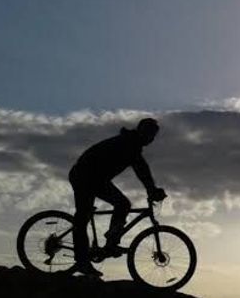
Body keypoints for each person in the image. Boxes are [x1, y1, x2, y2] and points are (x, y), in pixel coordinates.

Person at [68, 118, 167, 277]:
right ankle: (83, 261)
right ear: (141, 131)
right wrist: (152, 190)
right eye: (149, 134)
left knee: (122, 204)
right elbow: (141, 169)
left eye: (153, 135)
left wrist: (152, 189)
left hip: (96, 178)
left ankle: (111, 242)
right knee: (84, 216)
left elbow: (142, 169)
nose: (151, 138)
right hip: (84, 176)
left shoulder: (132, 145)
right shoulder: (129, 144)